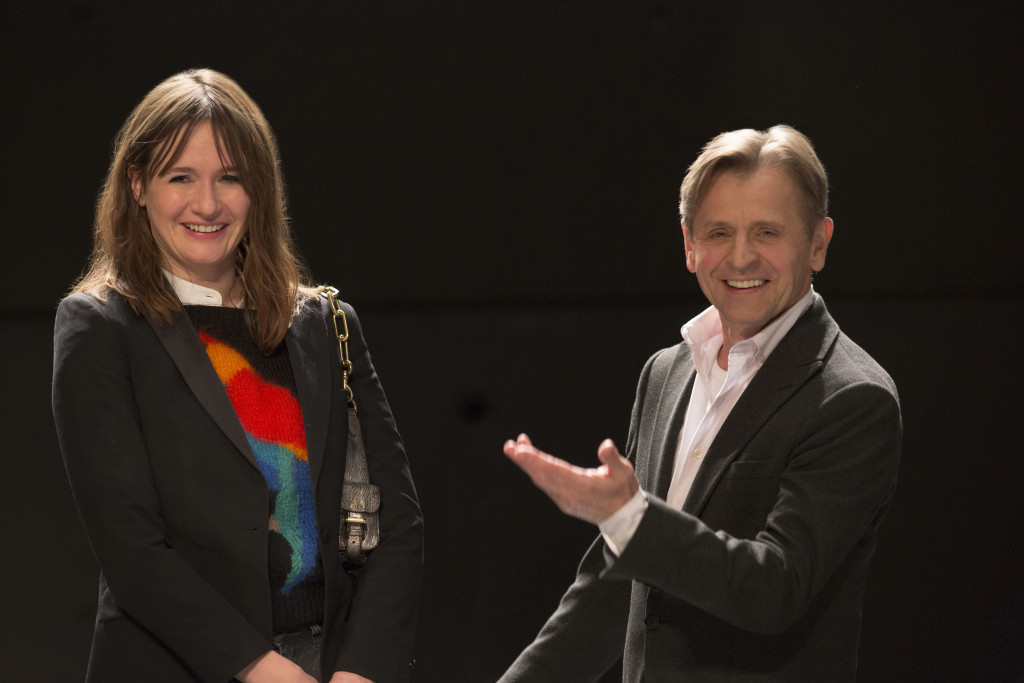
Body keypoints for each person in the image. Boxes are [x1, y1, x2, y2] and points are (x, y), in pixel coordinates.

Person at [52, 69, 423, 683]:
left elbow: (400, 523)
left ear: (260, 190)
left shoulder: (326, 322)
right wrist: (261, 669)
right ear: (138, 185)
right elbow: (131, 549)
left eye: (231, 178)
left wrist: (361, 672)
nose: (208, 204)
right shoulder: (100, 328)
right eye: (181, 178)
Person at [499, 125, 901, 681]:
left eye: (767, 232)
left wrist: (630, 519)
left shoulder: (854, 398)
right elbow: (614, 588)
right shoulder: (666, 372)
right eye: (719, 232)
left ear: (818, 243)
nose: (741, 257)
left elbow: (774, 589)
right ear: (689, 245)